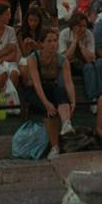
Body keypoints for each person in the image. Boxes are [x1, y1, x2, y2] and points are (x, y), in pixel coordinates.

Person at [25, 28, 76, 160]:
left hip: (51, 87)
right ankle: (55, 147)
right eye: (49, 41)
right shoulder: (33, 58)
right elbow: (36, 83)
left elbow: (68, 82)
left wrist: (73, 101)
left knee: (60, 91)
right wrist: (46, 103)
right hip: (35, 90)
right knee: (50, 111)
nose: (53, 44)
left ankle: (66, 124)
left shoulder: (62, 59)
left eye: (55, 41)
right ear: (42, 43)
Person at [59, 11, 99, 111]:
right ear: (73, 26)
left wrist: (81, 44)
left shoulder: (89, 34)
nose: (83, 29)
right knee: (62, 69)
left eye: (85, 26)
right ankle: (63, 101)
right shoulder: (64, 34)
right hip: (68, 65)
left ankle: (92, 100)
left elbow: (91, 59)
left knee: (90, 67)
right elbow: (64, 58)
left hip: (83, 65)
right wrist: (75, 41)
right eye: (80, 26)